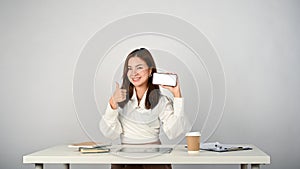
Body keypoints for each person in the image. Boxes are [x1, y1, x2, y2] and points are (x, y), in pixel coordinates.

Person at [100, 48, 188, 169]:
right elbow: (110, 134)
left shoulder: (161, 101)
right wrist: (112, 104)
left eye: (139, 67)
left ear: (150, 71)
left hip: (153, 159)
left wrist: (177, 95)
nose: (133, 73)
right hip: (126, 159)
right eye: (129, 68)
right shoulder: (120, 99)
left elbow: (174, 132)